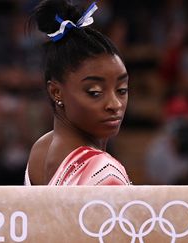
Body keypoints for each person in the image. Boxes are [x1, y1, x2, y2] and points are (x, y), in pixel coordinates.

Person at [24, 0, 131, 185]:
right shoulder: (105, 171)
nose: (115, 104)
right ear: (56, 92)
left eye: (121, 90)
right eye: (95, 92)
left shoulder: (40, 150)